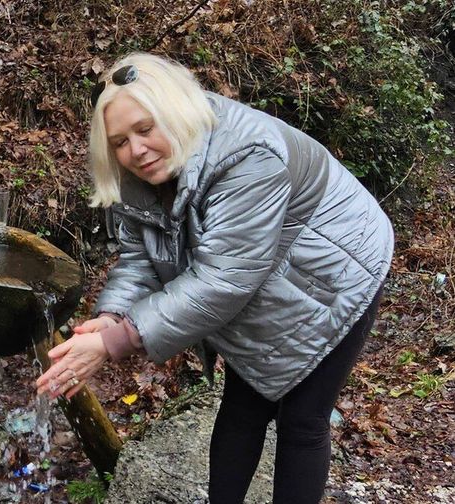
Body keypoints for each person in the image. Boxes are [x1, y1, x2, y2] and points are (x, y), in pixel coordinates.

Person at [35, 52, 393, 503]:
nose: (135, 151)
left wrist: (115, 343)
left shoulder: (247, 156)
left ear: (176, 112)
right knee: (244, 403)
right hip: (261, 273)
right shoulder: (138, 175)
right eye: (120, 141)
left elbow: (224, 278)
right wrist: (110, 318)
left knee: (302, 418)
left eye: (146, 129)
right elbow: (140, 257)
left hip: (336, 268)